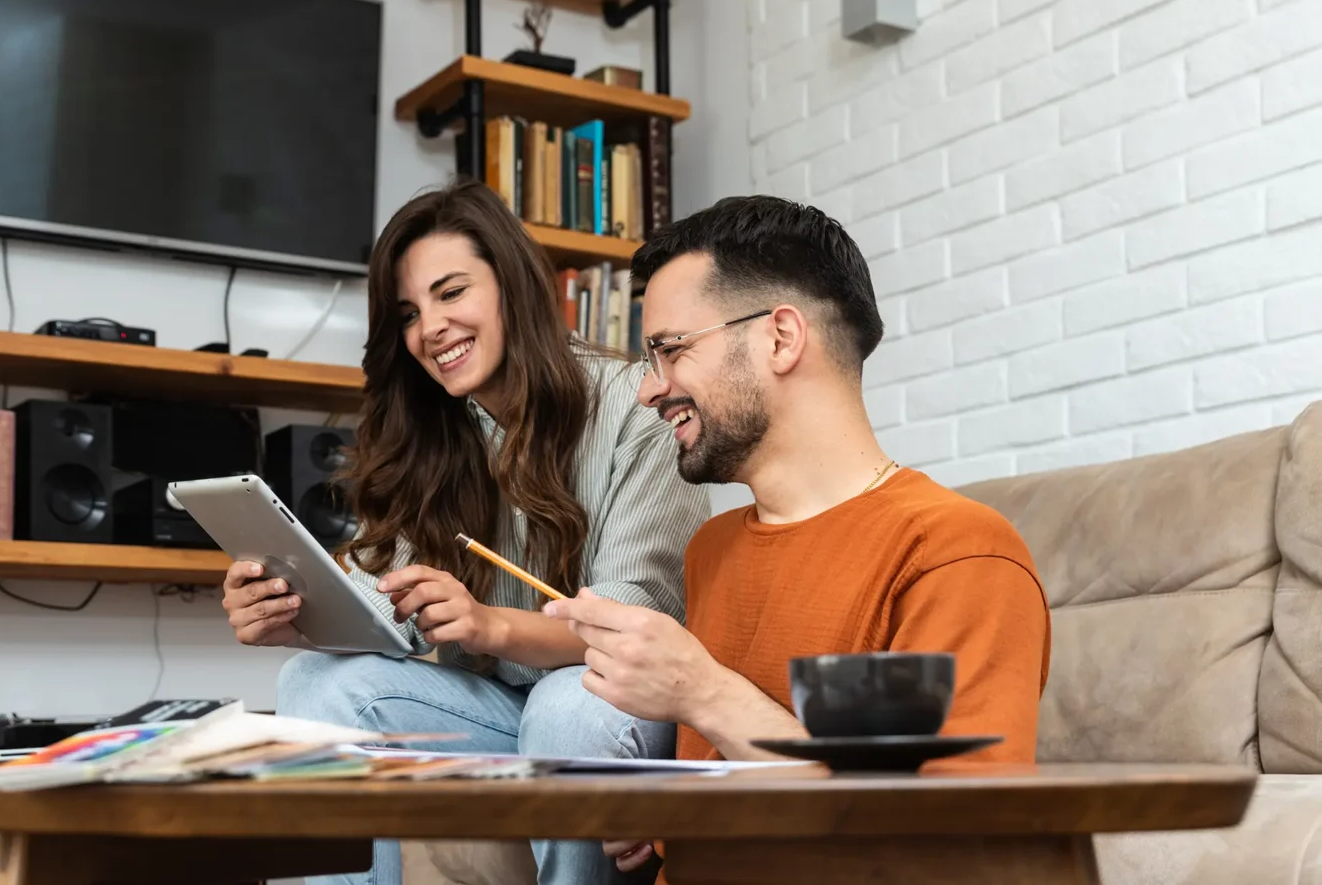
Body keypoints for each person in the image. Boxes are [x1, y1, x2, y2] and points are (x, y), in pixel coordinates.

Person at [542, 195, 1051, 876]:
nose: (648, 390)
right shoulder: (713, 550)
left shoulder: (959, 552)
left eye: (670, 350)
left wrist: (704, 692)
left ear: (781, 337)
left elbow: (956, 841)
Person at [220, 179, 711, 885]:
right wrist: (291, 613)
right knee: (314, 680)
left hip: (615, 704)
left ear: (511, 285)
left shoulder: (634, 406)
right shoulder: (434, 433)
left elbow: (634, 623)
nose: (430, 328)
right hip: (503, 715)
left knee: (566, 702)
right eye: (411, 313)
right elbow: (377, 604)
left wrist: (489, 626)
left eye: (452, 293)